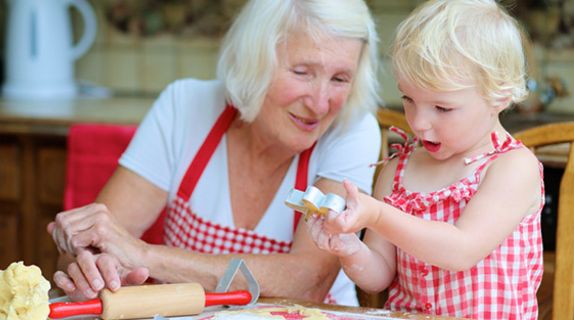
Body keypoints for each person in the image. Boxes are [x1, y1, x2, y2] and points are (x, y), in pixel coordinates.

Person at [48, 0, 381, 306]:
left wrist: (144, 256)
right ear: (255, 59)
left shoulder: (352, 130)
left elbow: (308, 281)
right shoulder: (184, 107)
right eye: (302, 72)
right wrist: (90, 269)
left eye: (339, 79)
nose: (321, 104)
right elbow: (93, 245)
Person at [308, 0, 544, 318]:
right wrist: (350, 249)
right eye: (408, 99)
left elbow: (461, 250)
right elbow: (378, 277)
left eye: (442, 108)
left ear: (498, 96)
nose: (418, 122)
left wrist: (377, 215)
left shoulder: (512, 167)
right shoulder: (398, 170)